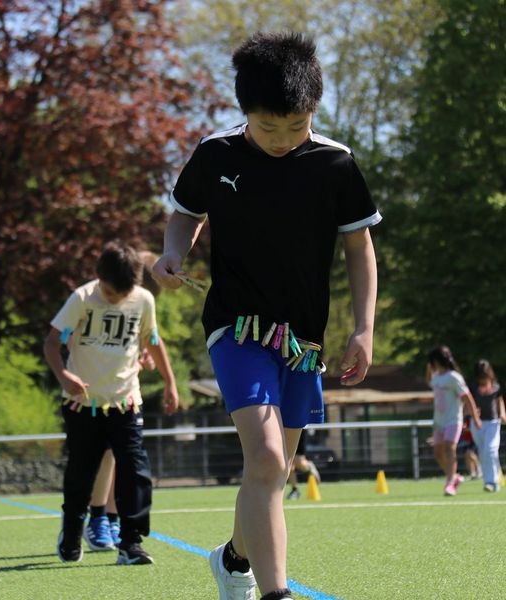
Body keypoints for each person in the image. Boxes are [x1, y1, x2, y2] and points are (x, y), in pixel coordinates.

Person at [153, 31, 381, 600]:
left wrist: (364, 327)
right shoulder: (216, 153)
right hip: (236, 327)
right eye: (267, 127)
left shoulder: (335, 163)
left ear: (314, 111)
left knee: (272, 472)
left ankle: (233, 559)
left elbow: (359, 247)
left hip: (302, 342)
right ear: (245, 112)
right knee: (267, 456)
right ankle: (276, 593)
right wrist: (173, 251)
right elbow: (185, 214)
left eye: (296, 126)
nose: (282, 140)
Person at [44, 241, 178, 565]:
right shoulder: (82, 299)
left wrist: (170, 382)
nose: (116, 297)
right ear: (99, 277)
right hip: (82, 404)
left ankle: (131, 543)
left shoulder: (143, 300)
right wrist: (64, 376)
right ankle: (72, 533)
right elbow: (52, 343)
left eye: (123, 292)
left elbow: (152, 340)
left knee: (134, 472)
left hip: (126, 403)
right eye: (110, 291)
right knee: (81, 473)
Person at [84, 251, 161, 551]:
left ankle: (111, 518)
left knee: (120, 456)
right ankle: (96, 517)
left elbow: (142, 343)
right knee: (106, 454)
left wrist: (144, 360)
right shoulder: (99, 298)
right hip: (97, 393)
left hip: (125, 393)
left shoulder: (140, 303)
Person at [426, 346, 481, 497]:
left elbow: (467, 397)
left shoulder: (454, 377)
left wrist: (475, 418)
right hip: (438, 421)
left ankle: (449, 483)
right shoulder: (436, 377)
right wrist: (428, 370)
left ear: (437, 360)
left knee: (449, 449)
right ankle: (454, 477)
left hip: (453, 420)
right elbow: (430, 381)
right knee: (438, 453)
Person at [469, 359, 506, 492]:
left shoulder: (496, 386)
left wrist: (503, 413)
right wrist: (472, 413)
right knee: (484, 452)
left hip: (493, 422)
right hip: (477, 423)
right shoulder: (473, 387)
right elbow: (468, 403)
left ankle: (491, 481)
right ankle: (492, 481)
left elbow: (499, 400)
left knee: (491, 450)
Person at [285, 430, 320, 500]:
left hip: (297, 428)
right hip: (284, 431)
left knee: (297, 460)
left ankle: (309, 466)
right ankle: (294, 490)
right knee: (288, 462)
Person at [459, 413, 482, 480]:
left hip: (473, 439)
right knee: (467, 456)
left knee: (470, 454)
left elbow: (475, 428)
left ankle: (479, 468)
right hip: (465, 439)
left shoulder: (472, 417)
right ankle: (472, 473)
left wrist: (466, 429)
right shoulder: (464, 418)